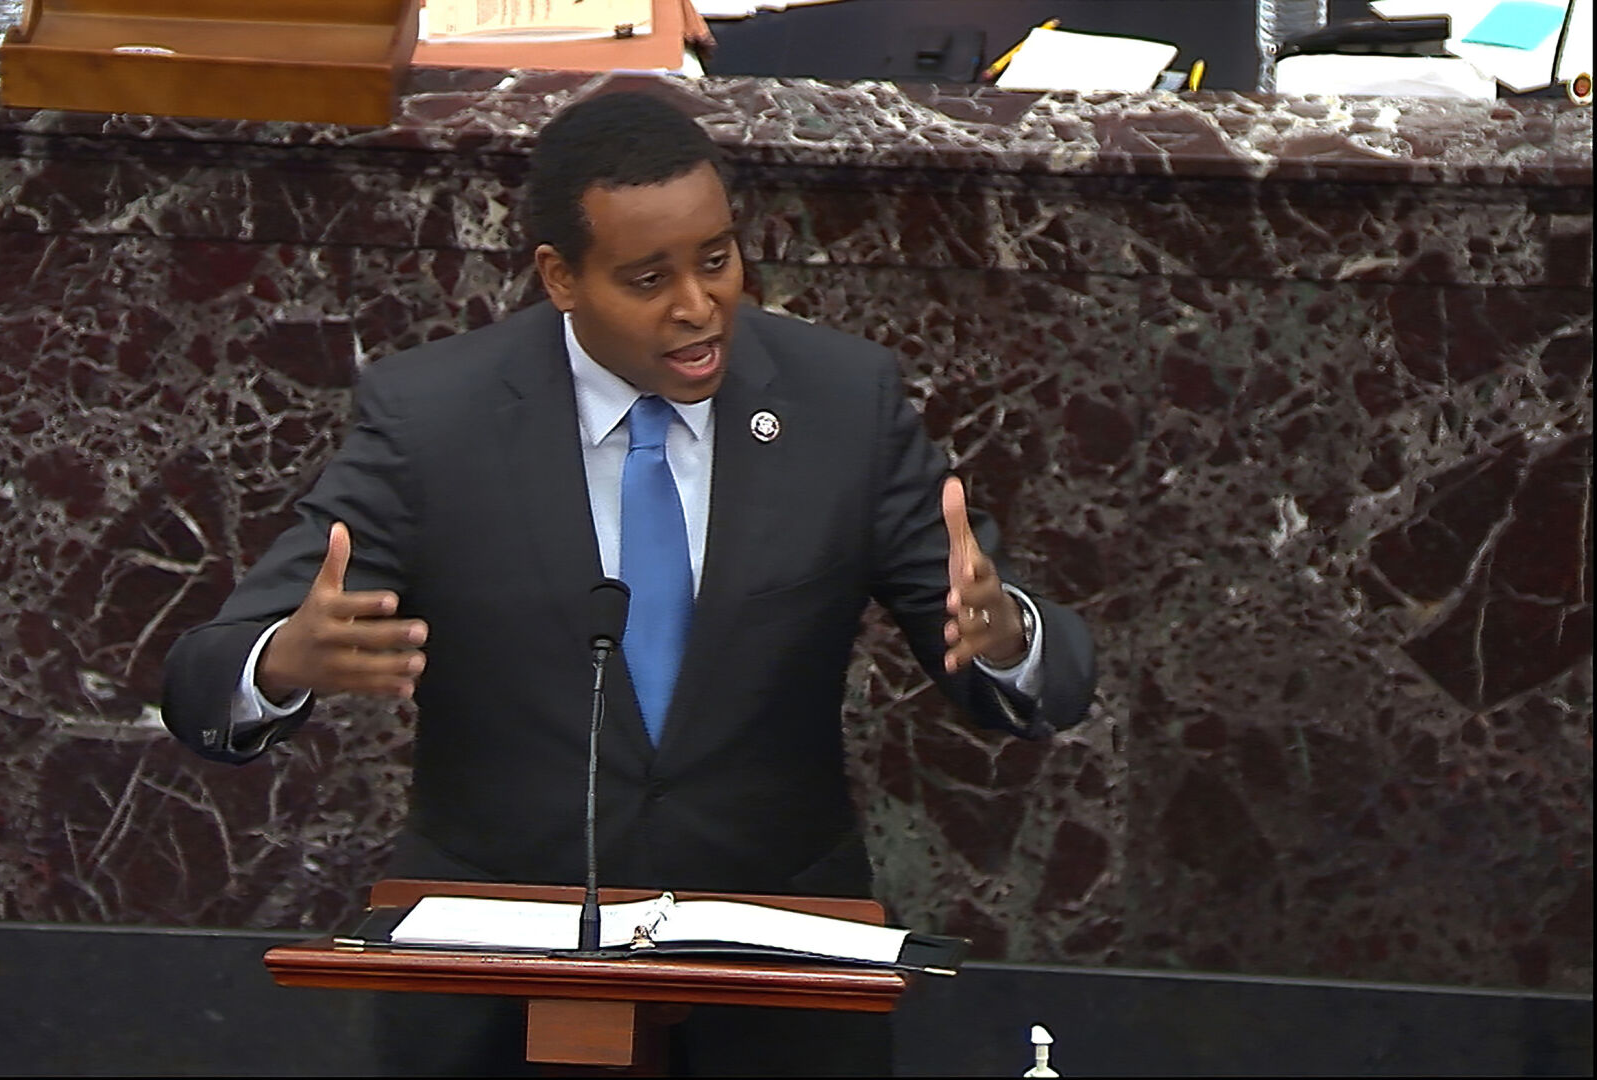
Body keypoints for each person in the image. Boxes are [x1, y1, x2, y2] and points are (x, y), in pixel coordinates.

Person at [162, 90, 1095, 1076]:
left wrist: (1007, 642)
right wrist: (282, 661)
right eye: (648, 279)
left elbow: (1049, 668)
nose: (696, 305)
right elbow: (203, 679)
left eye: (716, 260)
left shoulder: (840, 401)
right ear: (560, 277)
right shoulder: (433, 419)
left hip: (777, 981)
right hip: (494, 985)